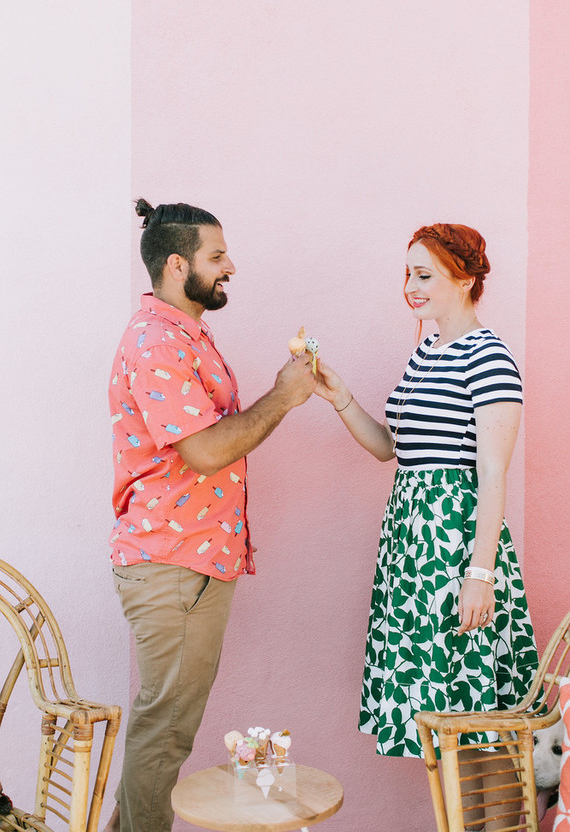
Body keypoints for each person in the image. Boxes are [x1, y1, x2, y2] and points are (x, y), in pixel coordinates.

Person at [315, 223, 540, 830]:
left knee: (482, 726)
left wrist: (480, 575)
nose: (410, 287)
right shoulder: (427, 351)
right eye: (407, 274)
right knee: (445, 724)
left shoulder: (489, 357)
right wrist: (340, 397)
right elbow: (393, 450)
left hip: (457, 550)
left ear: (464, 280)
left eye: (424, 275)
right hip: (414, 554)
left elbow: (492, 474)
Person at [103, 199, 315, 832]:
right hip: (174, 565)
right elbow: (204, 451)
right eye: (217, 256)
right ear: (178, 265)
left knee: (166, 727)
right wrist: (284, 396)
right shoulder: (157, 341)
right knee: (164, 731)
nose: (231, 266)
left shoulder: (187, 334)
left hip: (191, 564)